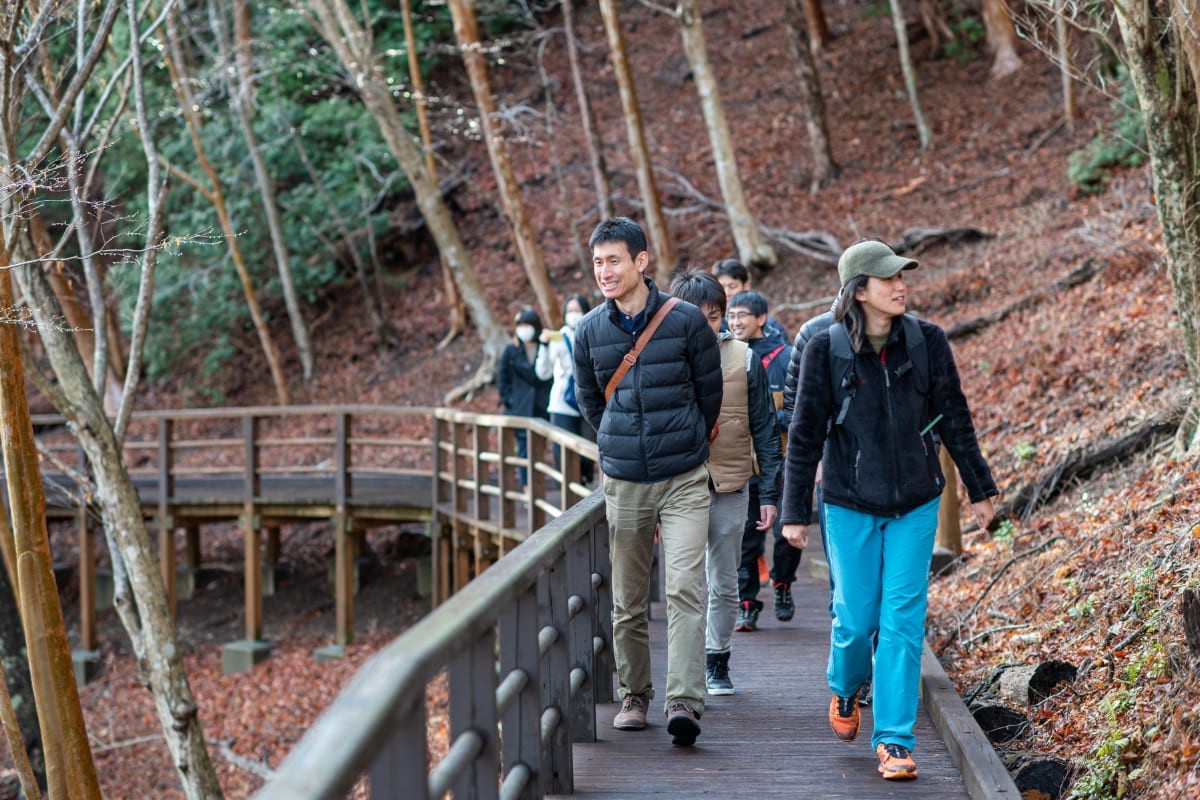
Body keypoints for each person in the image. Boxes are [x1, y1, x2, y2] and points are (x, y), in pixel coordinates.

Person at [780, 239, 998, 781]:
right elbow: (805, 436)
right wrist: (792, 512)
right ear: (859, 291)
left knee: (901, 623)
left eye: (902, 277)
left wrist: (981, 490)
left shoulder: (926, 343)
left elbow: (956, 420)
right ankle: (844, 686)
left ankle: (895, 740)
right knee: (855, 618)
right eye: (887, 279)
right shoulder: (825, 349)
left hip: (916, 503)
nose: (900, 286)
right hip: (850, 503)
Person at [572, 217, 722, 747]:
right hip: (626, 480)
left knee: (684, 585)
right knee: (628, 596)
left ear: (640, 262)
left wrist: (682, 440)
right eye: (597, 263)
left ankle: (683, 699)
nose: (604, 271)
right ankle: (634, 693)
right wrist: (622, 443)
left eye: (613, 260)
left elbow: (710, 397)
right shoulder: (589, 331)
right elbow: (591, 402)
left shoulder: (685, 322)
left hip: (683, 476)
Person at [668, 271, 780, 697]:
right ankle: (688, 664)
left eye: (713, 316)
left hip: (731, 483)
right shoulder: (662, 356)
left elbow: (765, 429)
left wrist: (769, 493)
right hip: (678, 485)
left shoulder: (745, 359)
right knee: (683, 581)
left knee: (724, 579)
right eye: (696, 316)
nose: (706, 325)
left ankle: (718, 658)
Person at [726, 289, 800, 630]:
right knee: (746, 536)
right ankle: (747, 604)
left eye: (742, 315)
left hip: (781, 461)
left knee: (787, 531)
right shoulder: (727, 355)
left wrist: (767, 417)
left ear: (761, 319)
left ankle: (783, 583)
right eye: (731, 316)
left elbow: (799, 407)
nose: (736, 321)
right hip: (742, 464)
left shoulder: (785, 357)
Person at [535, 293, 596, 485]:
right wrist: (544, 347)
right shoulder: (558, 338)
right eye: (570, 311)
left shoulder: (594, 333)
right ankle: (570, 495)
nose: (573, 315)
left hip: (588, 401)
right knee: (564, 453)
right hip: (562, 403)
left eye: (577, 310)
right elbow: (543, 373)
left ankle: (584, 483)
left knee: (589, 449)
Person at [496, 306, 552, 486]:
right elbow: (502, 377)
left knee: (538, 447)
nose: (524, 329)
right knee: (523, 449)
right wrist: (508, 400)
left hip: (541, 405)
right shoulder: (511, 349)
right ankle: (527, 485)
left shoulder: (546, 346)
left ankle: (536, 485)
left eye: (527, 324)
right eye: (520, 325)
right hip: (519, 407)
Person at [711, 258, 789, 342]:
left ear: (746, 286)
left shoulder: (770, 326)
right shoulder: (713, 325)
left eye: (732, 286)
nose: (727, 292)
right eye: (721, 287)